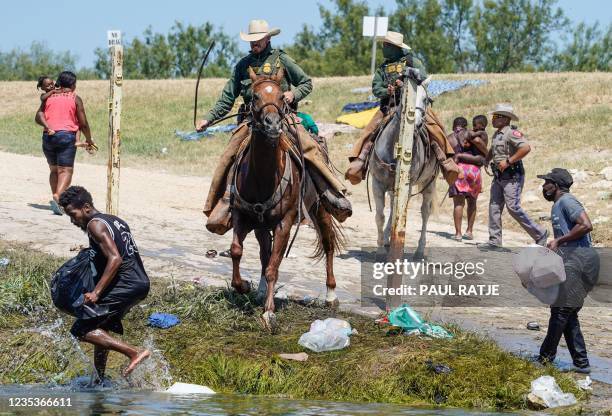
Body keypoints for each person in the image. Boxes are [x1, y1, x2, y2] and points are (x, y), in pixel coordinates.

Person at [196, 19, 351, 234]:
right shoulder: (243, 65)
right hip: (252, 122)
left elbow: (306, 82)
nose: (253, 44)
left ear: (268, 38)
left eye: (257, 40)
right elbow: (227, 99)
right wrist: (209, 119)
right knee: (228, 154)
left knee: (309, 147)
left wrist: (292, 94)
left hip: (283, 118)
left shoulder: (282, 60)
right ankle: (220, 203)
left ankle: (331, 194)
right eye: (251, 41)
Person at [344, 31, 460, 186]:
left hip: (415, 103)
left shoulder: (412, 60)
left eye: (386, 45)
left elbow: (424, 79)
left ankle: (445, 160)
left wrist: (405, 81)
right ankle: (361, 160)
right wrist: (387, 91)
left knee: (435, 127)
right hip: (389, 107)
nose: (383, 48)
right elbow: (376, 88)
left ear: (394, 47)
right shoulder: (382, 68)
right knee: (370, 130)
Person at [59, 186, 151, 380]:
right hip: (140, 282)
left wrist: (97, 293)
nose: (73, 221)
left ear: (86, 207)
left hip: (126, 284)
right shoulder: (115, 220)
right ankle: (99, 379)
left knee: (81, 329)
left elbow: (115, 258)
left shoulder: (94, 225)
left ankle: (134, 352)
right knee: (100, 327)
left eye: (73, 214)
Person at [537, 168, 599, 373]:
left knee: (560, 312)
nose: (543, 186)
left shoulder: (567, 201)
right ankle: (581, 364)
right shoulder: (558, 205)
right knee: (568, 314)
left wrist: (559, 240)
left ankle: (544, 359)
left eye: (546, 182)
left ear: (555, 185)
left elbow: (586, 225)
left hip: (581, 264)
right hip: (573, 263)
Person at [479, 104, 547, 249]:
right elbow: (493, 148)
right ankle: (494, 241)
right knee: (494, 207)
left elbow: (526, 148)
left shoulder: (511, 133)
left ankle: (540, 234)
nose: (493, 119)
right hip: (499, 176)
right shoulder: (497, 134)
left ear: (505, 119)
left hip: (512, 176)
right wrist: (487, 159)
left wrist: (509, 161)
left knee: (513, 208)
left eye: (496, 117)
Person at [35, 71, 96, 215]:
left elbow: (38, 117)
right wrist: (88, 138)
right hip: (66, 136)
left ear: (58, 83)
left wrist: (49, 126)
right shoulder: (75, 98)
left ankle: (57, 202)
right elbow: (83, 123)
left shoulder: (48, 98)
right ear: (73, 85)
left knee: (54, 170)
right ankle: (58, 197)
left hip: (48, 137)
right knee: (66, 170)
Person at [447, 116, 487, 241]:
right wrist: (487, 154)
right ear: (466, 125)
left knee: (459, 203)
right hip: (474, 170)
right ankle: (469, 231)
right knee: (472, 202)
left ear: (454, 126)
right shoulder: (469, 134)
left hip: (458, 170)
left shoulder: (448, 138)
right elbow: (479, 143)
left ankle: (458, 234)